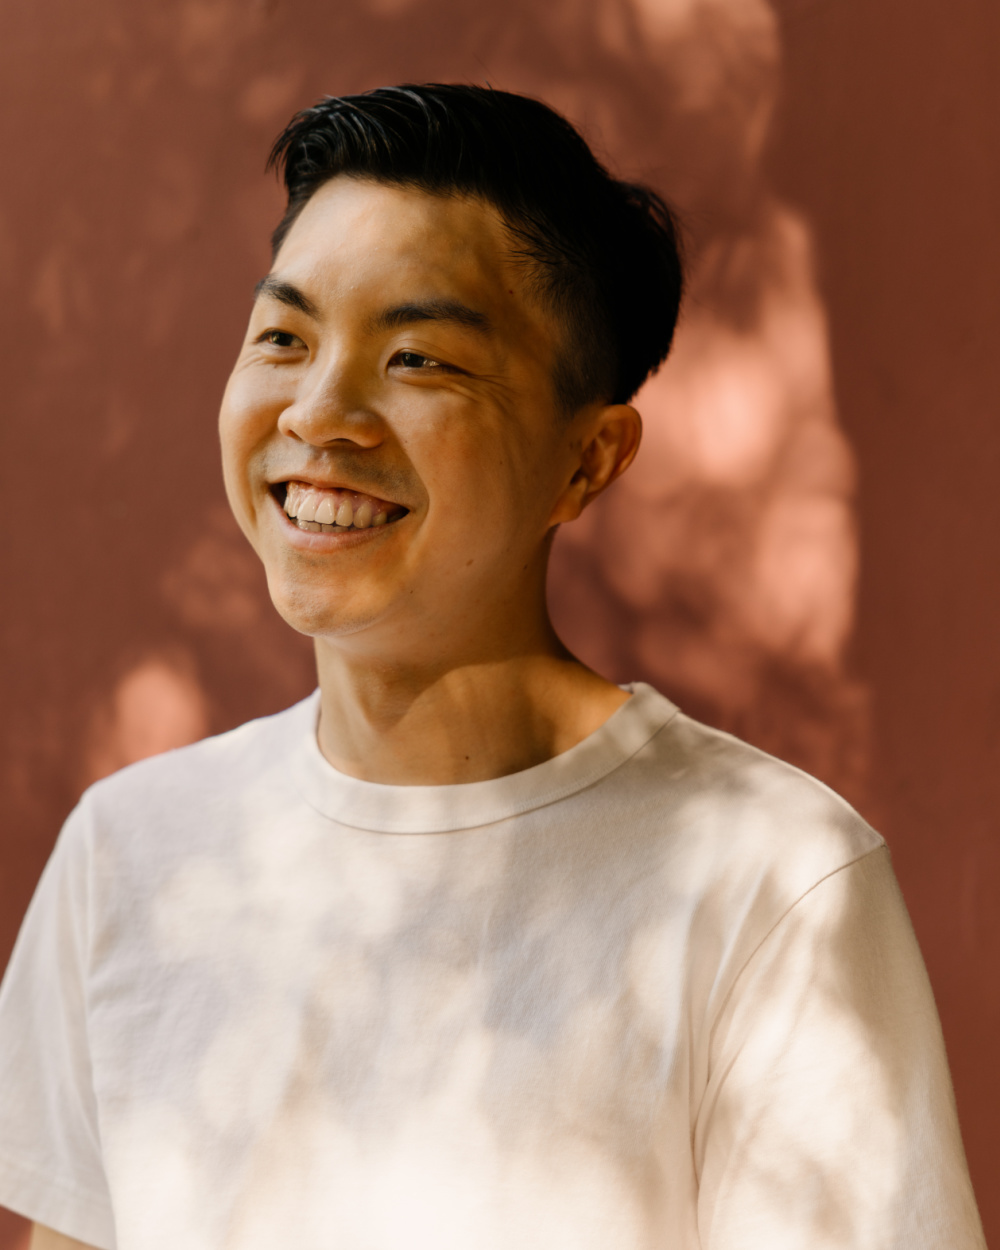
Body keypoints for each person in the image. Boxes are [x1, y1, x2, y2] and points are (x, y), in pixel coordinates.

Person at [0, 84, 985, 1250]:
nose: (320, 411)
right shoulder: (128, 852)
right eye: (284, 337)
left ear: (588, 460)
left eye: (417, 357)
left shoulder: (770, 879)